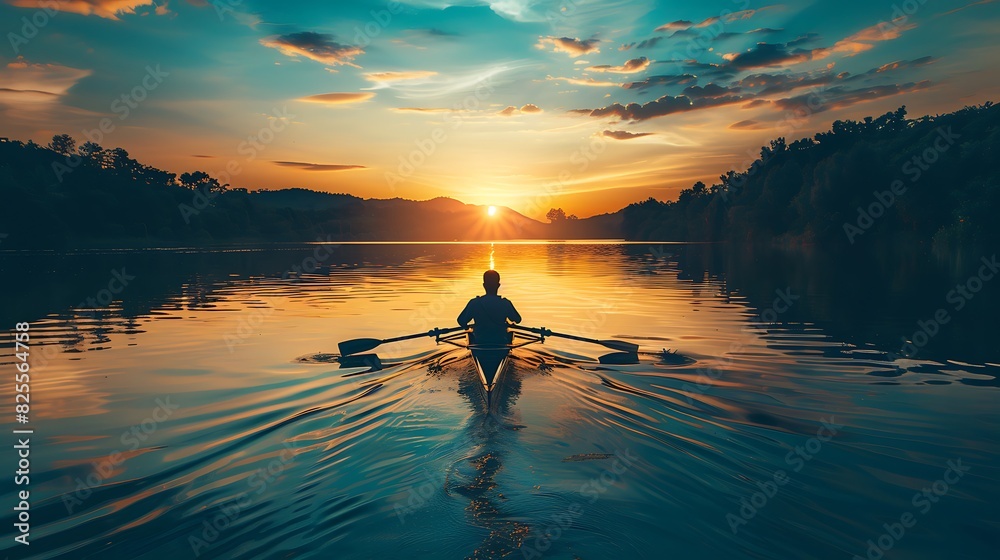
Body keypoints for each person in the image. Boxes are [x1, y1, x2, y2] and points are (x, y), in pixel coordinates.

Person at [457, 270, 521, 345]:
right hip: (500, 341)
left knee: (470, 335)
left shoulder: (474, 303)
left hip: (480, 342)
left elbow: (461, 320)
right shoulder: (505, 303)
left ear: (484, 285)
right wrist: (509, 322)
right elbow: (518, 319)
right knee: (510, 333)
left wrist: (466, 327)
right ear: (498, 285)